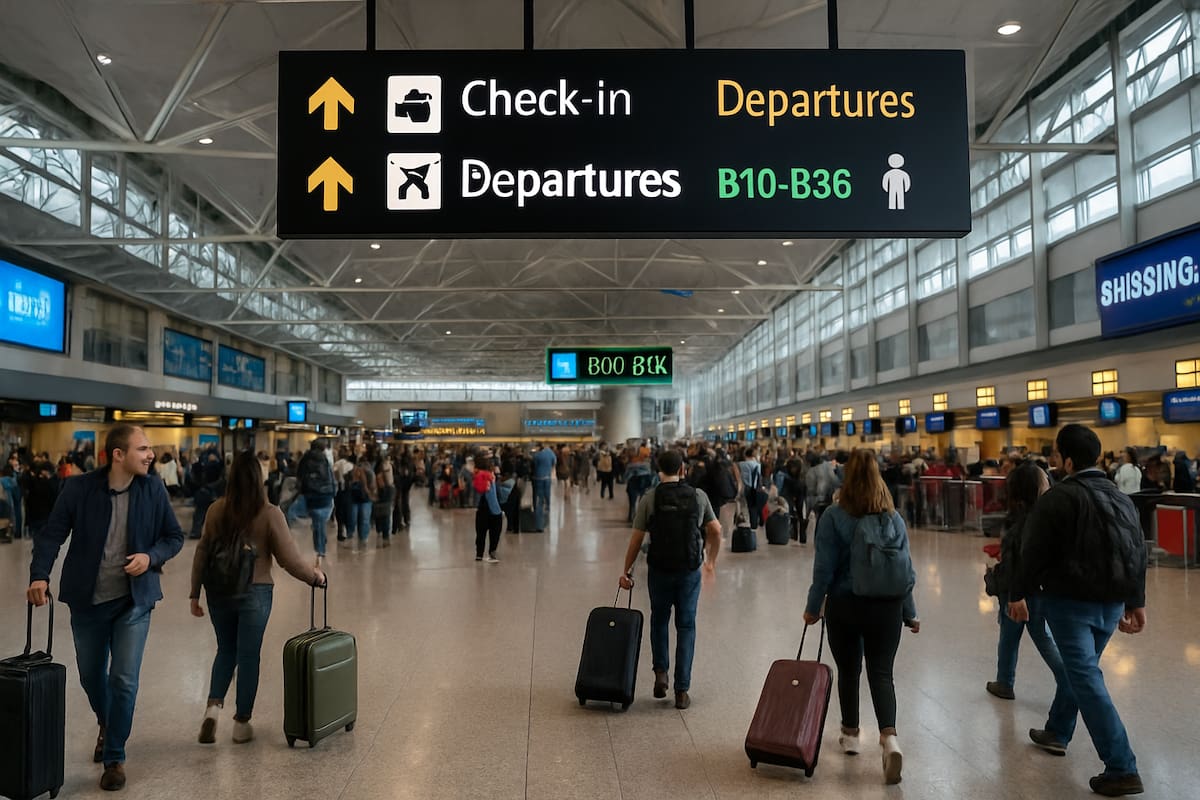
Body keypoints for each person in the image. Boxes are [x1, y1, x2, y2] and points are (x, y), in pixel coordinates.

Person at [26, 424, 185, 791]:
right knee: (91, 676)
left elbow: (173, 537)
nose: (150, 455)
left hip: (134, 601)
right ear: (118, 454)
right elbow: (52, 533)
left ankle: (115, 755)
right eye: (143, 448)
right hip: (87, 601)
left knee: (124, 679)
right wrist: (40, 575)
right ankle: (107, 721)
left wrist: (151, 556)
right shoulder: (79, 489)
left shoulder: (152, 488)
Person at [1009, 424, 1147, 797]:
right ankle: (1057, 729)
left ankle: (1121, 766)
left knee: (1086, 678)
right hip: (1112, 601)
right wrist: (1136, 601)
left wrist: (1016, 592)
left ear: (1068, 460)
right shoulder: (1121, 498)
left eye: (1056, 453)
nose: (1054, 460)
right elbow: (1137, 550)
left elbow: (1032, 553)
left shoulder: (1058, 498)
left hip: (1071, 603)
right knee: (1080, 671)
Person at [189, 451, 325, 745]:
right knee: (248, 656)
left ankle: (212, 709)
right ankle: (241, 724)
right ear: (258, 478)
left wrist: (194, 593)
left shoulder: (216, 510)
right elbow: (289, 560)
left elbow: (202, 552)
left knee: (225, 650)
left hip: (218, 592)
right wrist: (315, 576)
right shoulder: (269, 513)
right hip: (255, 592)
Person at [803, 449, 919, 786]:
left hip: (845, 604)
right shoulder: (893, 518)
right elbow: (903, 571)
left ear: (846, 477)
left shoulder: (834, 517)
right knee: (882, 673)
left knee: (849, 671)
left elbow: (823, 570)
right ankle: (889, 738)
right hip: (888, 607)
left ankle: (851, 735)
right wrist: (910, 612)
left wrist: (812, 608)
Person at [618, 449, 722, 710]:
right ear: (683, 469)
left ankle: (660, 673)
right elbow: (716, 530)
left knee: (659, 620)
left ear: (658, 471)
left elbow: (636, 539)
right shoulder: (698, 496)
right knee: (686, 626)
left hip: (659, 569)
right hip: (689, 570)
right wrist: (710, 561)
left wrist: (626, 570)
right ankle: (682, 690)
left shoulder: (650, 498)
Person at [985, 462, 1069, 707]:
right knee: (1034, 635)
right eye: (1044, 479)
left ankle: (1008, 681)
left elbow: (1014, 562)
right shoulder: (1043, 517)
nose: (1049, 481)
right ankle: (1004, 681)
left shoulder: (1019, 520)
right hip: (1033, 590)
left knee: (1015, 636)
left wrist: (1013, 594)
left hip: (1017, 592)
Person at [296, 440, 336, 564]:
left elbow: (299, 477)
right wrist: (333, 492)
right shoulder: (325, 460)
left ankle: (320, 548)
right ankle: (320, 548)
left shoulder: (305, 460)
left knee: (317, 522)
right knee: (320, 522)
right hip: (326, 495)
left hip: (311, 495)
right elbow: (331, 477)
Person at [473, 456, 503, 563]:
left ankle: (479, 554)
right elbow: (497, 494)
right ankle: (492, 552)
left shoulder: (477, 476)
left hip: (481, 509)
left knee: (480, 533)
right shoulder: (492, 477)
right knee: (495, 532)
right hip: (494, 509)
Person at [531, 443, 556, 532]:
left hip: (538, 479)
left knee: (539, 502)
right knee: (547, 499)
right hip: (547, 478)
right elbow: (554, 463)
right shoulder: (551, 453)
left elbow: (534, 466)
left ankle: (539, 526)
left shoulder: (537, 455)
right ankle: (546, 521)